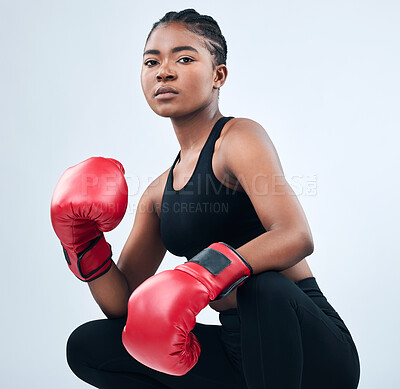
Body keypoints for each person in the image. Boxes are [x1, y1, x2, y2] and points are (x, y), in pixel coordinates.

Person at [52, 8, 361, 389]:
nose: (164, 71)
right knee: (89, 346)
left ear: (219, 75)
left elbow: (296, 235)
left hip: (310, 352)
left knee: (262, 286)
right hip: (239, 356)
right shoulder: (158, 194)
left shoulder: (238, 140)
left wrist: (200, 273)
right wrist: (84, 243)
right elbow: (123, 305)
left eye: (184, 58)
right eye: (152, 61)